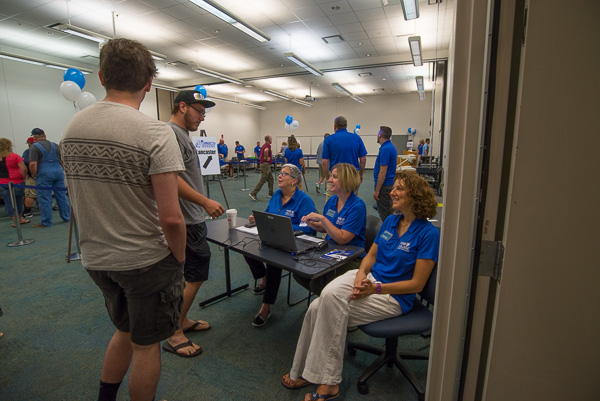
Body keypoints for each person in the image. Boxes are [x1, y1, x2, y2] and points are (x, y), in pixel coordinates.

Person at [62, 38, 186, 401]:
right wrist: (178, 258)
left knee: (125, 332)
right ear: (149, 83)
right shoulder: (154, 132)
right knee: (147, 346)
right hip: (144, 261)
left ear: (101, 77)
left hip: (97, 259)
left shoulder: (71, 128)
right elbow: (172, 217)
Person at [282, 171, 440, 401]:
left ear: (416, 195)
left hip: (394, 296)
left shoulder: (428, 234)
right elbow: (370, 257)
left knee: (322, 307)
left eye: (399, 189)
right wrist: (361, 275)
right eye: (393, 187)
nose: (392, 192)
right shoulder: (392, 221)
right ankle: (307, 371)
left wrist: (374, 289)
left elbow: (416, 285)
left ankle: (328, 382)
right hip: (370, 279)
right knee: (324, 301)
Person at [164, 90, 225, 358]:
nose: (202, 117)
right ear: (182, 107)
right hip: (186, 218)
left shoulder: (181, 135)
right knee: (192, 273)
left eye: (204, 112)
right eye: (199, 111)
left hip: (191, 217)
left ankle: (183, 320)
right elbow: (170, 178)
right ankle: (174, 331)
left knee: (190, 273)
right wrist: (204, 202)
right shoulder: (171, 135)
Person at [244, 164, 315, 327]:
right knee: (246, 247)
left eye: (284, 174)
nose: (279, 176)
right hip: (273, 238)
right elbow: (269, 215)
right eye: (280, 173)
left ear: (294, 181)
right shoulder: (276, 195)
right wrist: (258, 219)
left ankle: (266, 307)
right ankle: (264, 277)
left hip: (294, 243)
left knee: (274, 262)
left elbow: (309, 229)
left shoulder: (304, 201)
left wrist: (285, 227)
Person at [295, 163, 366, 295]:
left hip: (351, 256)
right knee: (299, 270)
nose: (329, 180)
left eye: (334, 177)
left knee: (318, 280)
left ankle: (327, 299)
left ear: (346, 181)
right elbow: (327, 228)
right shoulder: (333, 201)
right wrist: (313, 224)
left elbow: (342, 238)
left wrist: (322, 219)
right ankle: (326, 297)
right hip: (330, 250)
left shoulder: (357, 206)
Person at [28, 129, 70, 227]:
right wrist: (60, 170)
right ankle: (67, 217)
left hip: (44, 173)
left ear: (34, 137)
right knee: (62, 196)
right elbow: (62, 161)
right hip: (58, 171)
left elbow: (33, 164)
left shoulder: (34, 147)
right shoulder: (55, 145)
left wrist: (34, 175)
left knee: (44, 198)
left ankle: (46, 222)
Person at [322, 116, 367, 201]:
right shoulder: (356, 138)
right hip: (352, 175)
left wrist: (327, 177)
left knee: (331, 202)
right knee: (351, 201)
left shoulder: (329, 139)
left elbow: (324, 162)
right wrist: (360, 174)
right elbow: (363, 159)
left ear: (335, 127)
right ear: (346, 126)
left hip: (336, 175)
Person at [0, 138, 29, 227]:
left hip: (2, 183)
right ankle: (20, 218)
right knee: (18, 200)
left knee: (8, 202)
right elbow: (23, 168)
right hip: (17, 182)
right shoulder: (14, 156)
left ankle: (15, 220)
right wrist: (24, 178)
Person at [373, 126, 397, 221]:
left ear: (380, 135)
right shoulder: (389, 147)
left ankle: (387, 233)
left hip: (385, 186)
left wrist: (377, 190)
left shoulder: (385, 149)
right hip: (388, 184)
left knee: (384, 214)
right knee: (389, 211)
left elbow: (383, 171)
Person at [249, 135, 274, 202]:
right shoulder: (267, 145)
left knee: (271, 179)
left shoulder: (263, 145)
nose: (272, 140)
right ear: (269, 139)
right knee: (263, 180)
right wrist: (266, 157)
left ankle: (271, 193)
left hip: (266, 165)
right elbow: (266, 151)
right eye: (271, 139)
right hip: (265, 165)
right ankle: (253, 193)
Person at [22, 137, 37, 218]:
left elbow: (26, 163)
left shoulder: (28, 152)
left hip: (32, 176)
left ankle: (27, 211)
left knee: (30, 194)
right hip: (43, 175)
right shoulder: (44, 150)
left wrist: (28, 173)